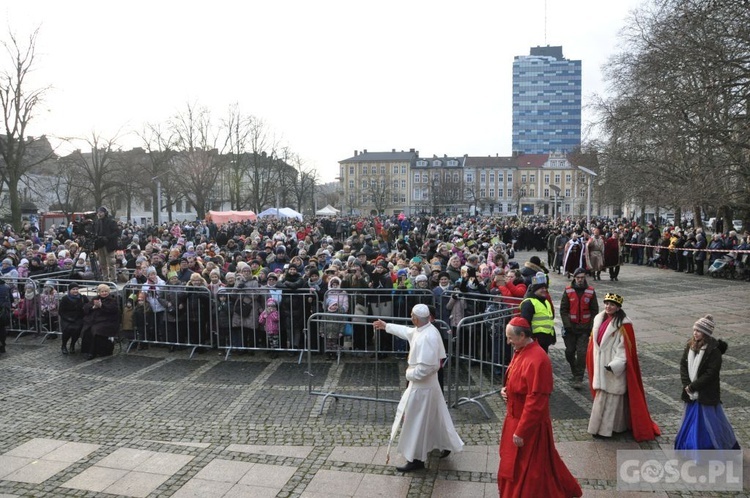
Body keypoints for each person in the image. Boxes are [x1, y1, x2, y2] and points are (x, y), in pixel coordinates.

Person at [373, 304, 464, 472]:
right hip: (428, 386)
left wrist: (409, 374)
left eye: (411, 315)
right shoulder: (425, 329)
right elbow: (408, 332)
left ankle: (416, 459)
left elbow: (428, 367)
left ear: (415, 318)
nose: (410, 318)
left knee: (416, 422)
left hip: (422, 388)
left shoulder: (427, 336)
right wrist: (387, 326)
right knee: (437, 418)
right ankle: (445, 444)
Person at [498, 316, 582, 498]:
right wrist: (506, 390)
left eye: (510, 338)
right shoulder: (522, 350)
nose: (508, 342)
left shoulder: (538, 359)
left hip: (528, 425)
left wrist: (522, 431)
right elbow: (516, 379)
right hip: (515, 418)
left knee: (530, 469)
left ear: (522, 336)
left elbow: (536, 401)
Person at [586, 293, 660, 441]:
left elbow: (625, 349)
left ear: (618, 307)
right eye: (606, 303)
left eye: (612, 304)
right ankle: (602, 428)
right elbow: (593, 344)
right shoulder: (598, 320)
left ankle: (608, 430)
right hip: (600, 366)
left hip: (613, 367)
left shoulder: (624, 325)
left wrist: (614, 365)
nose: (608, 306)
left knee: (613, 401)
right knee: (602, 398)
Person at [674, 315, 739, 450]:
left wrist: (693, 386)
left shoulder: (714, 351)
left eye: (698, 331)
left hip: (706, 394)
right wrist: (687, 384)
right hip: (691, 393)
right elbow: (683, 365)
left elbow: (711, 373)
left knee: (710, 424)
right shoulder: (690, 346)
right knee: (690, 422)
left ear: (706, 333)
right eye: (694, 330)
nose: (695, 333)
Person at [560, 268, 599, 389]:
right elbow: (563, 309)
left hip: (584, 328)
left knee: (582, 353)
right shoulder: (568, 291)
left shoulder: (590, 291)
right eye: (578, 277)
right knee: (569, 352)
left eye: (582, 277)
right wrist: (567, 325)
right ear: (574, 278)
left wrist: (591, 326)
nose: (580, 280)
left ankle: (578, 377)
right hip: (570, 328)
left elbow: (594, 310)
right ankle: (574, 369)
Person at [80, 284, 121, 360]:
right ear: (99, 292)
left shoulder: (112, 300)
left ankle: (93, 352)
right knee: (87, 329)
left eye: (106, 291)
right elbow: (86, 307)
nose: (104, 293)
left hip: (108, 321)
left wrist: (102, 306)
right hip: (95, 320)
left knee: (95, 330)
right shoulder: (95, 298)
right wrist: (93, 307)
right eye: (102, 291)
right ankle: (86, 350)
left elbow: (113, 310)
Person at [519, 272, 555, 353]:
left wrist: (552, 336)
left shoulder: (545, 301)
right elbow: (525, 324)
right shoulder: (528, 303)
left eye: (545, 288)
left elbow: (549, 319)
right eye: (541, 288)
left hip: (545, 340)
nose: (544, 290)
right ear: (535, 289)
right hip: (535, 341)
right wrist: (530, 339)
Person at [58, 282, 89, 354]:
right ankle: (64, 345)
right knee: (67, 330)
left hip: (78, 318)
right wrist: (67, 318)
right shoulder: (65, 299)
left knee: (77, 329)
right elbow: (61, 311)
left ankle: (72, 344)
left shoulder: (82, 298)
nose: (75, 291)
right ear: (69, 290)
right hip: (67, 318)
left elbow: (88, 306)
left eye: (76, 289)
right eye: (73, 289)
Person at [93, 206, 120, 281]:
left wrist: (108, 237)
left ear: (105, 213)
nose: (99, 214)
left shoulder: (111, 221)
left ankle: (113, 279)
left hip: (109, 245)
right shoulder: (97, 222)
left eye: (101, 212)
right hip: (100, 244)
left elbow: (117, 232)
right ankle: (105, 279)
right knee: (102, 263)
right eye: (98, 212)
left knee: (111, 263)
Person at [0, 277, 12, 354]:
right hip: (4, 310)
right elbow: (11, 299)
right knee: (2, 328)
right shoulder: (7, 287)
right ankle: (2, 346)